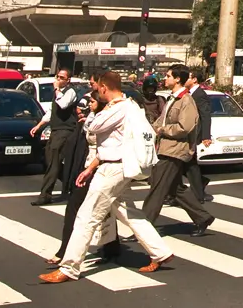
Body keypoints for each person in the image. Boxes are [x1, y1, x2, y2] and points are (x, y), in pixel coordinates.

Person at [39, 71, 173, 283]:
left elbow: (93, 126)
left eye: (97, 89)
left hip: (112, 169)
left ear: (104, 88)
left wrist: (98, 111)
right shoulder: (130, 106)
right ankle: (160, 251)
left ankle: (69, 267)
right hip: (117, 166)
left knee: (86, 216)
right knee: (127, 212)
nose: (95, 94)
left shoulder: (119, 108)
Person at [46, 88, 122, 268]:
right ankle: (113, 247)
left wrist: (89, 169)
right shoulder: (92, 119)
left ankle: (66, 253)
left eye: (92, 102)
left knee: (78, 209)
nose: (88, 105)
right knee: (107, 210)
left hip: (98, 168)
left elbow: (102, 148)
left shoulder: (103, 121)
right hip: (89, 167)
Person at [142, 64, 215, 236]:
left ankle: (143, 227)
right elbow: (160, 121)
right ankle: (202, 217)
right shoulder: (171, 99)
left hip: (174, 150)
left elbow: (185, 127)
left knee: (157, 188)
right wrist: (151, 129)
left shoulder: (186, 100)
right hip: (165, 148)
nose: (164, 79)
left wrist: (163, 130)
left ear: (177, 79)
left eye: (168, 76)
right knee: (175, 189)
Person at [31, 69, 79, 205]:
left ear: (68, 80)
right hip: (55, 130)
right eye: (58, 77)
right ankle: (73, 184)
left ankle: (45, 195)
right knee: (49, 160)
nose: (58, 79)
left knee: (53, 162)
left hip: (65, 131)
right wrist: (39, 125)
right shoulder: (57, 94)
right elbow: (52, 111)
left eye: (62, 77)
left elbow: (63, 105)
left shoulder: (70, 92)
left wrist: (57, 90)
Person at [182, 68, 212, 203]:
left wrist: (206, 136)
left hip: (194, 134)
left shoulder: (199, 94)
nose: (184, 79)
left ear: (194, 79)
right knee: (187, 164)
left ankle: (198, 193)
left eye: (187, 77)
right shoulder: (188, 94)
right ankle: (200, 182)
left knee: (188, 163)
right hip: (189, 134)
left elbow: (205, 116)